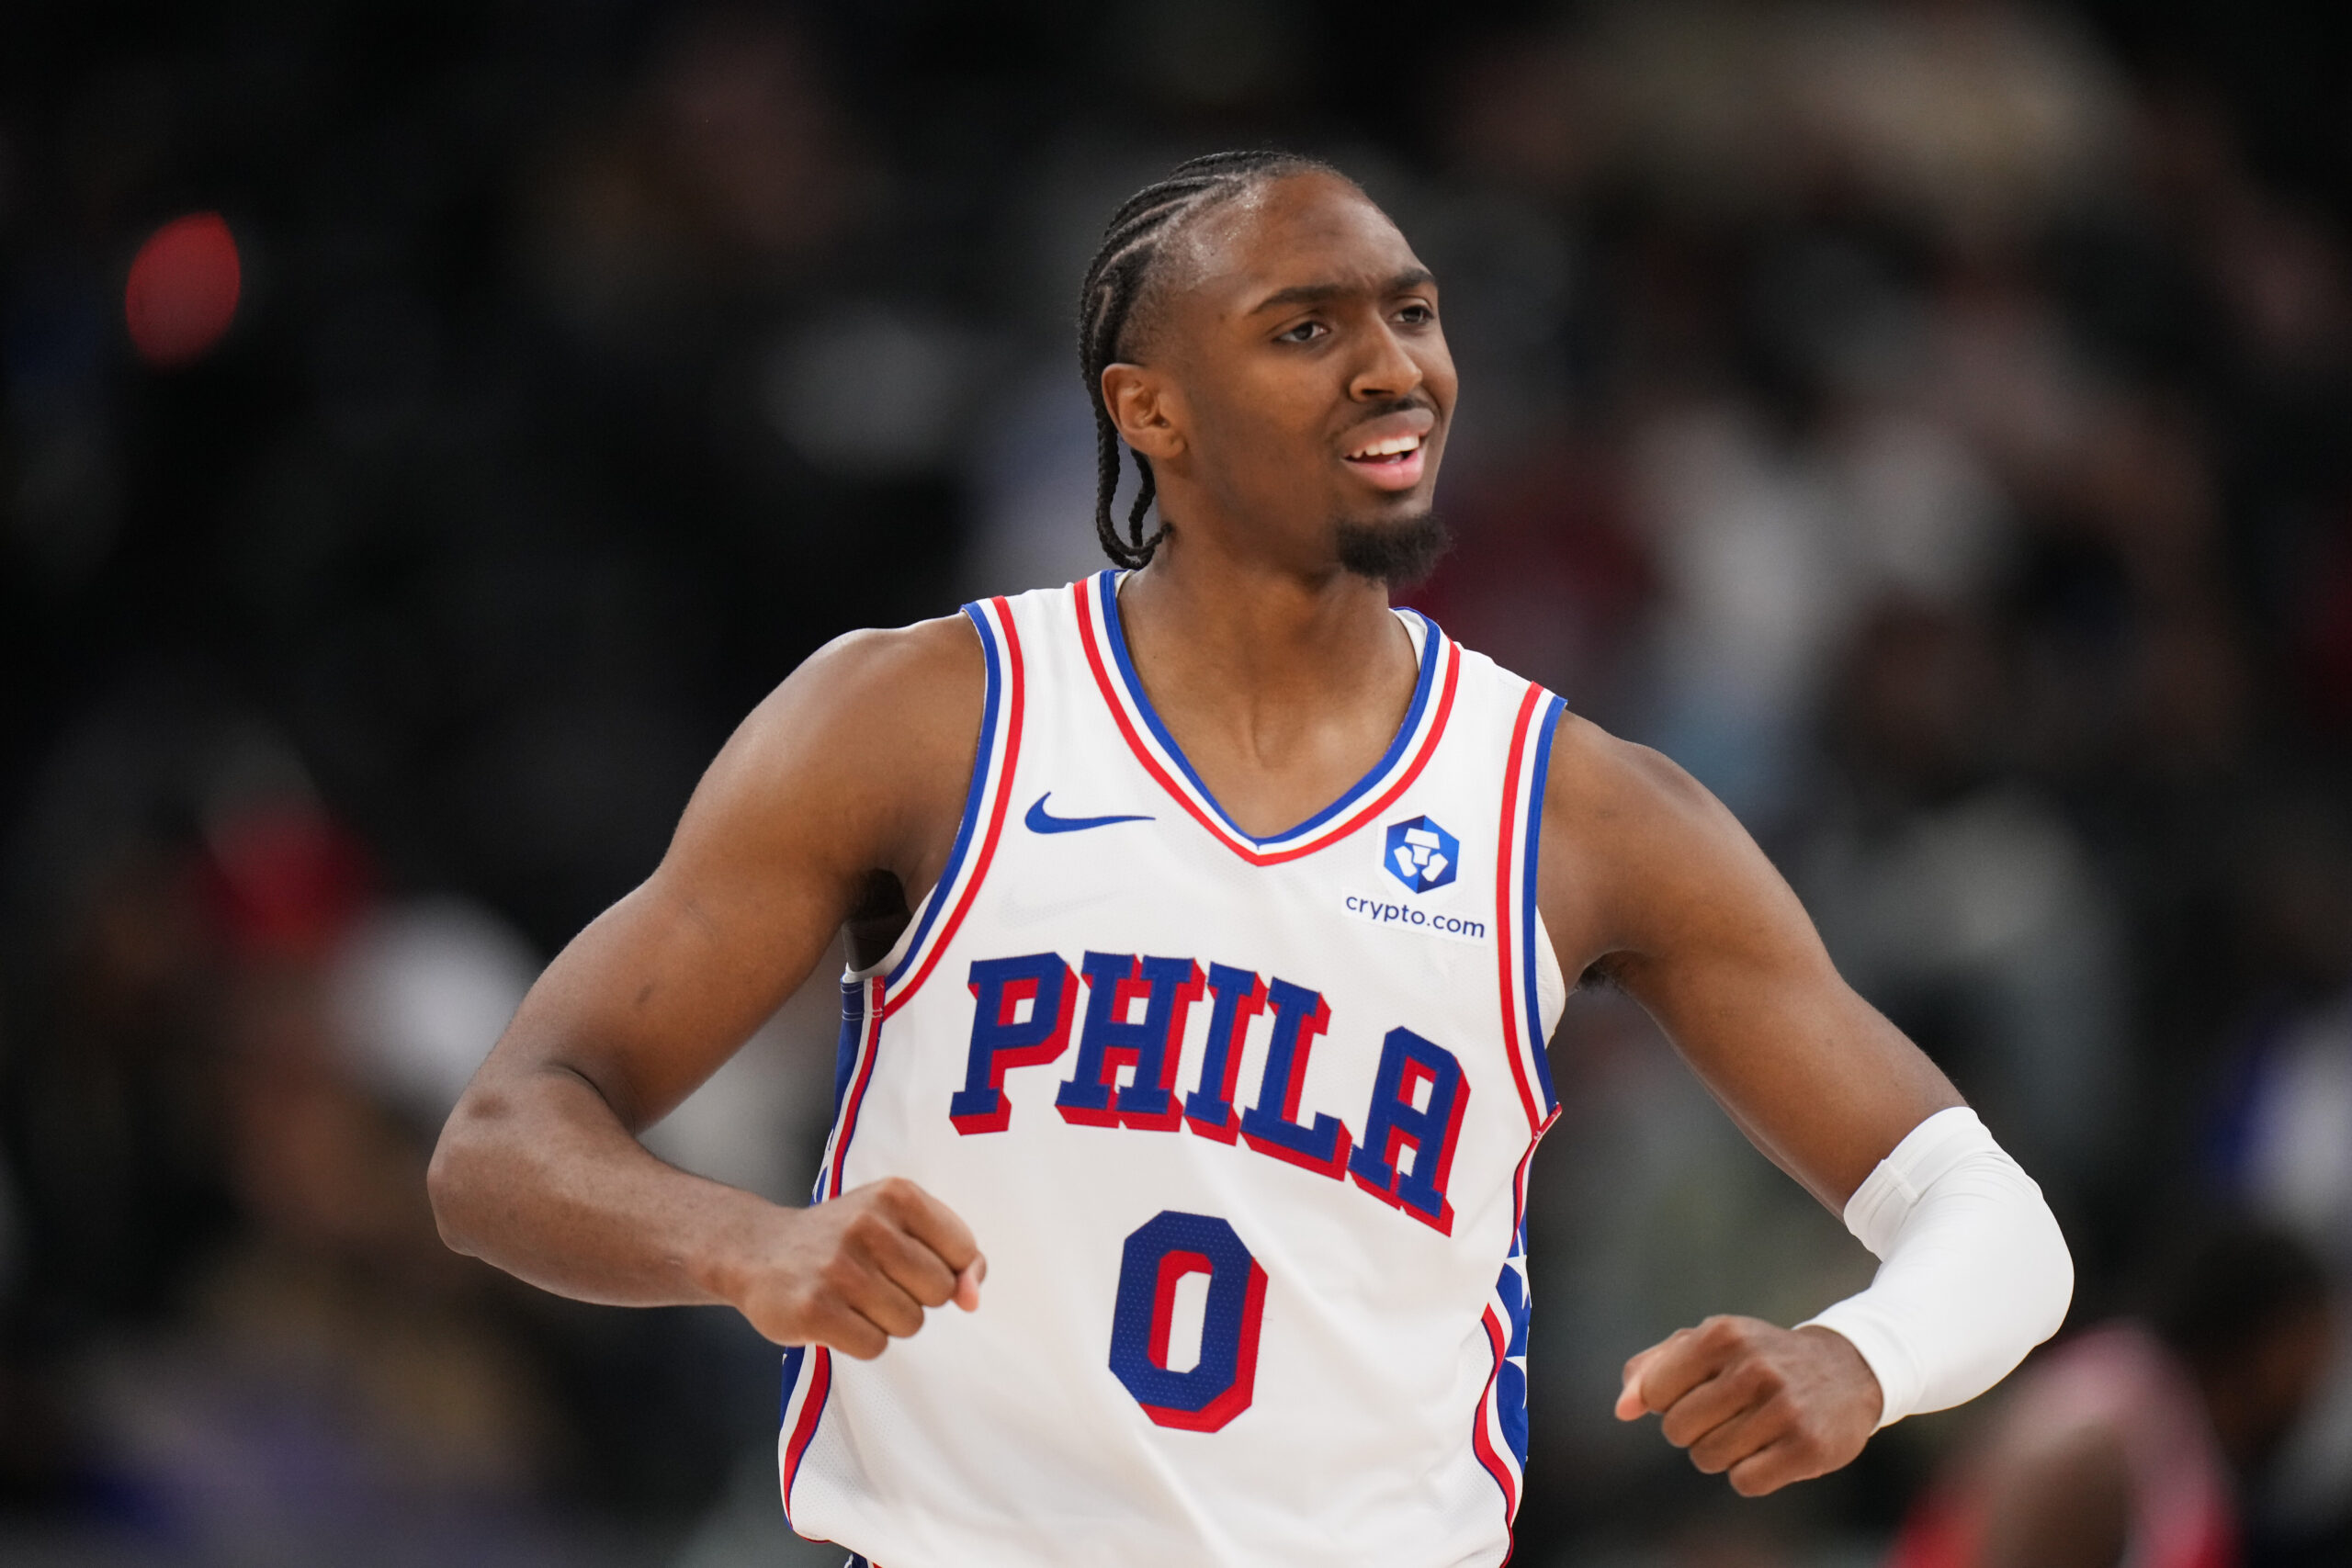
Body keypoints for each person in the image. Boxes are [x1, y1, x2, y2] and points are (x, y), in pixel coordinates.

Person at [427, 151, 2074, 1567]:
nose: (1393, 367)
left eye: (1413, 313)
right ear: (1150, 408)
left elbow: (1990, 1213)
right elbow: (500, 1142)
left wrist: (1865, 1355)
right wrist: (747, 1245)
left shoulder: (1579, 810)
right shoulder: (923, 718)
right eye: (1308, 327)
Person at [1887, 1223, 2334, 1568]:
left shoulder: (2190, 1433)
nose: (2318, 1376)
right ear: (2268, 1340)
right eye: (2308, 1349)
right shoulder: (2099, 1427)